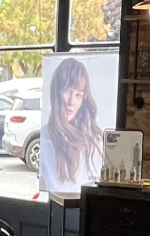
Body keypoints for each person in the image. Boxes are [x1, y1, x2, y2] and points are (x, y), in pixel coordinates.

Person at [43, 57, 105, 188]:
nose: (71, 102)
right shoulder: (44, 136)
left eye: (78, 95)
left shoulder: (94, 138)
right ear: (57, 91)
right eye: (67, 91)